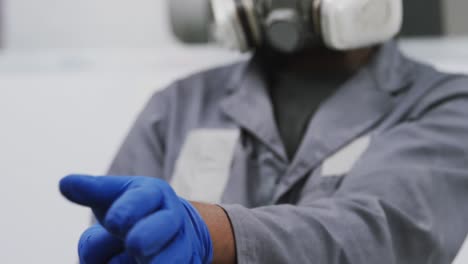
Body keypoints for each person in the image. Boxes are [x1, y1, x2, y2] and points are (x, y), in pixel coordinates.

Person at [60, 0, 468, 263]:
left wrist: (214, 234)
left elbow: (378, 235)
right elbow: (115, 235)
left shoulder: (445, 104)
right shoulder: (176, 106)